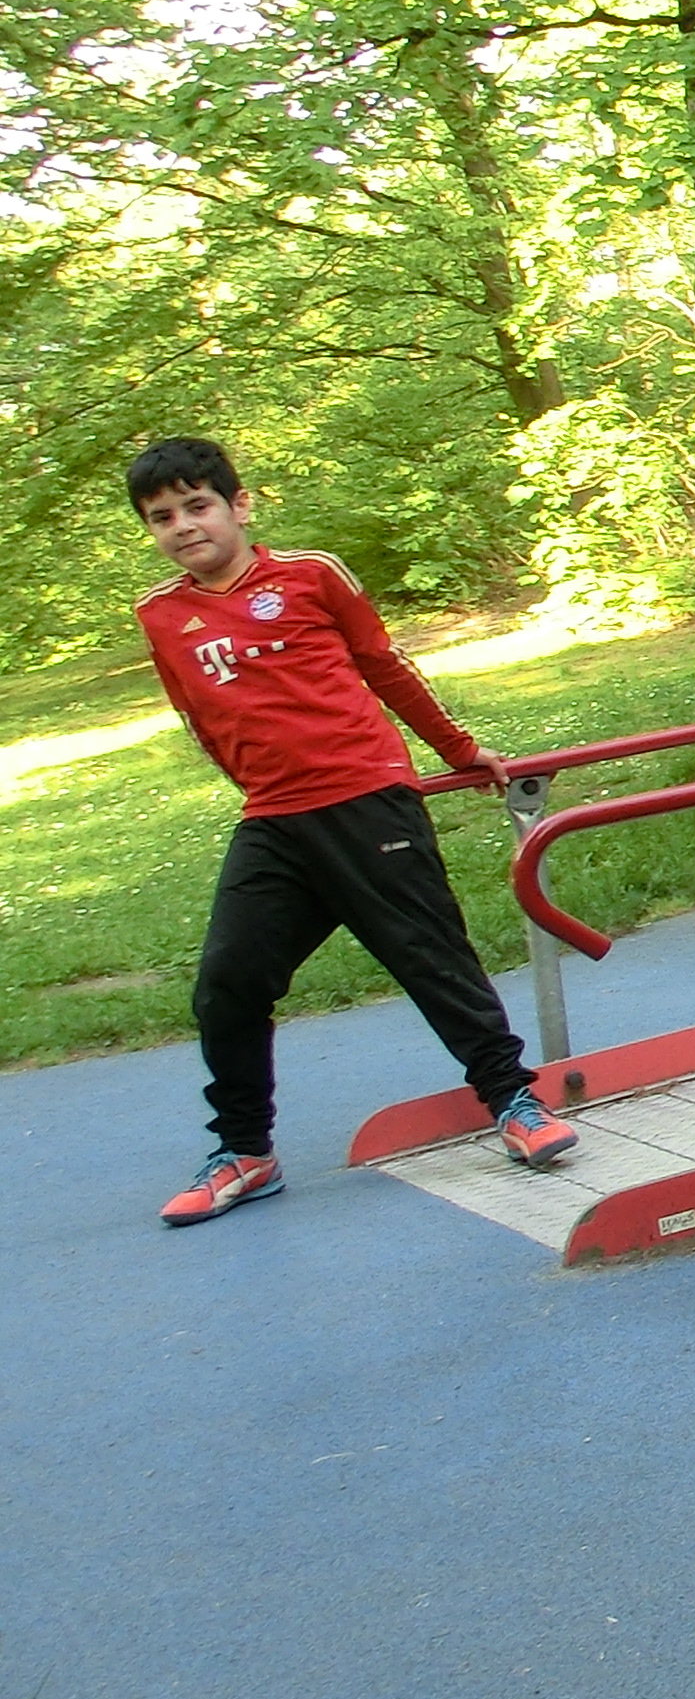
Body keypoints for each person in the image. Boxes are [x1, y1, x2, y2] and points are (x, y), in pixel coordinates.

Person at [126, 438, 576, 1227]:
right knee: (227, 984)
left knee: (430, 957)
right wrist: (259, 787)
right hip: (273, 818)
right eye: (163, 518)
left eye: (198, 506)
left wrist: (459, 750)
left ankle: (514, 1103)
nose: (184, 526)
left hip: (367, 798)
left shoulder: (311, 575)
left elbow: (385, 665)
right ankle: (244, 1150)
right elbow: (196, 715)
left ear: (239, 506)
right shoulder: (160, 614)